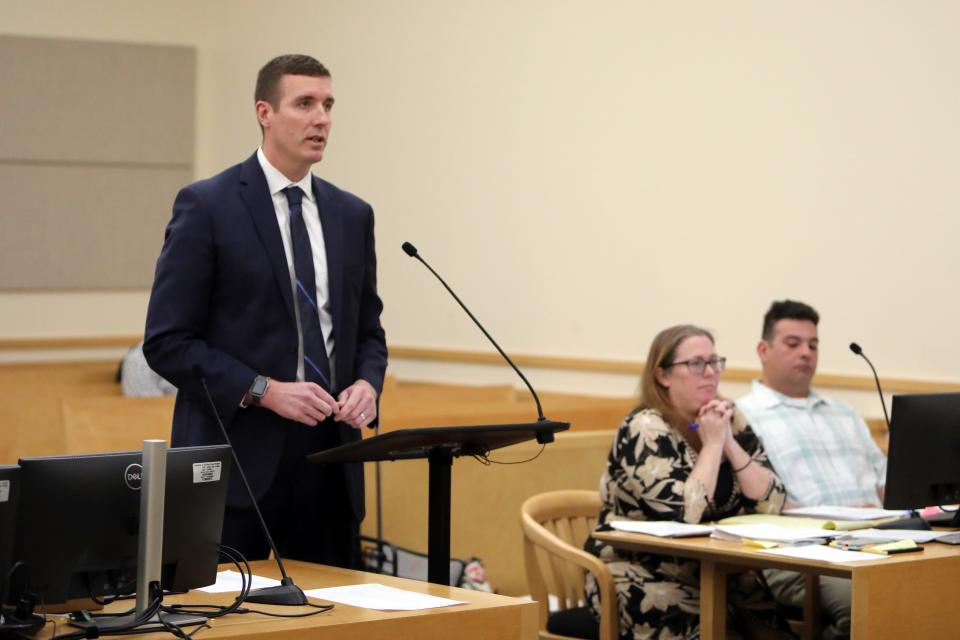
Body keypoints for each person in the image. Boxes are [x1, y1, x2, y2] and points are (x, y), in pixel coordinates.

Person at [143, 54, 387, 569]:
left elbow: (368, 330)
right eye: (304, 104)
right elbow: (167, 342)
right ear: (264, 113)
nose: (321, 118)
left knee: (334, 619)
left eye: (327, 104)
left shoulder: (351, 214)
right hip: (235, 461)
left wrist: (368, 383)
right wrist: (263, 391)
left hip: (331, 461)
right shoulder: (207, 206)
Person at [585, 325, 791, 639]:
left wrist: (728, 443)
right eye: (696, 364)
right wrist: (711, 446)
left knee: (775, 634)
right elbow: (684, 513)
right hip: (639, 571)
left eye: (714, 362)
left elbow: (773, 502)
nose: (710, 373)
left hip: (715, 569)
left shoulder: (730, 417)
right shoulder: (644, 428)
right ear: (662, 375)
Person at [738, 299, 886, 639]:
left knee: (939, 585)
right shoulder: (743, 418)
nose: (806, 352)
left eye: (813, 345)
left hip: (878, 542)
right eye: (793, 344)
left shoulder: (844, 413)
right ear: (764, 349)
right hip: (804, 553)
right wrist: (847, 516)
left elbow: (884, 482)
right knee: (869, 603)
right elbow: (760, 506)